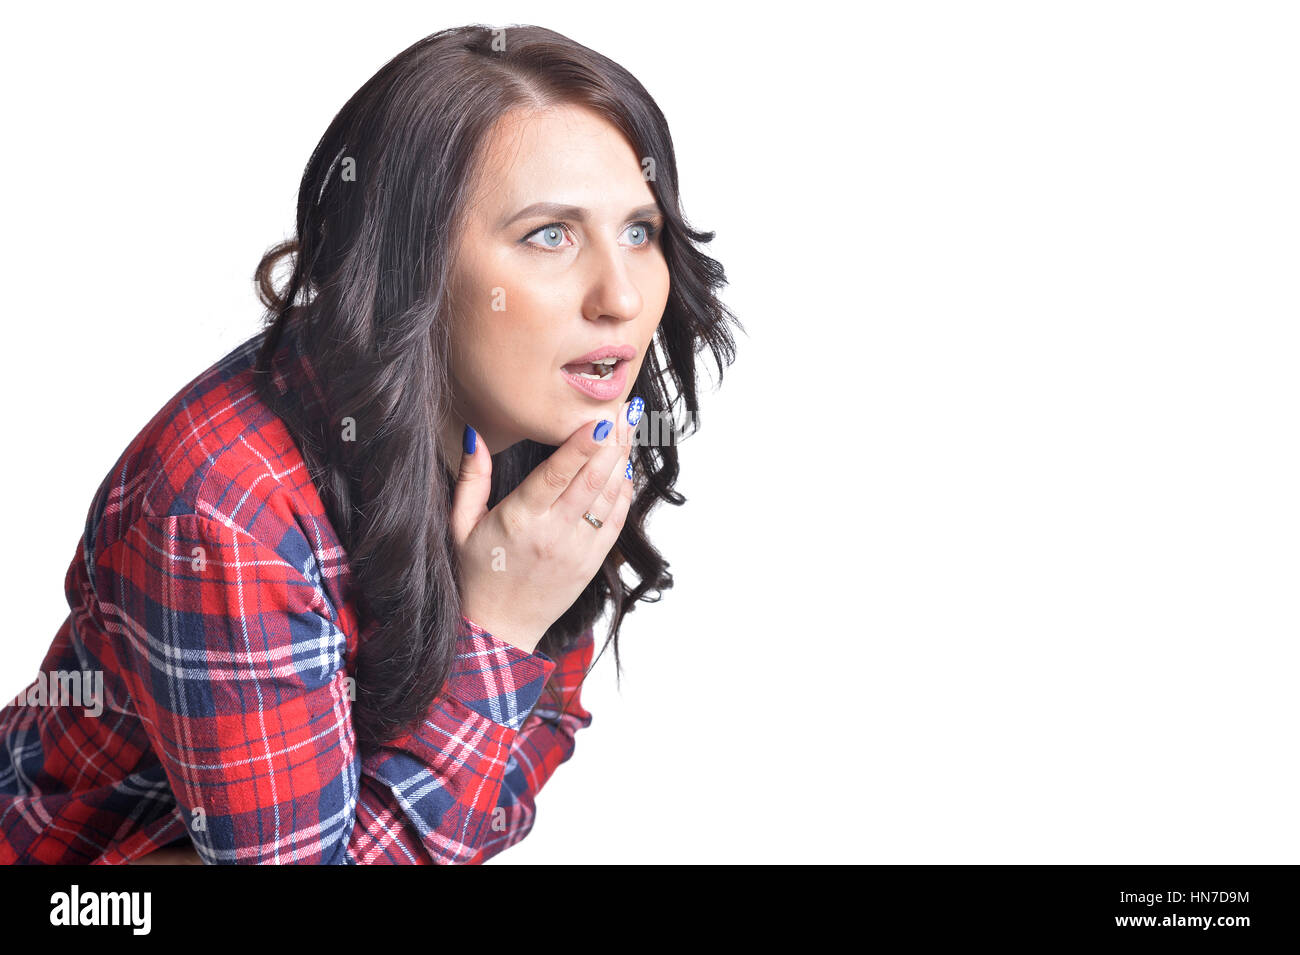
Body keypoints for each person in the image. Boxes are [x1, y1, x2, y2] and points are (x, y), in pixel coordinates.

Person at [0, 23, 739, 864]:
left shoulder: (546, 410)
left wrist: (489, 676)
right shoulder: (226, 513)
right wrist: (495, 629)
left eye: (639, 231)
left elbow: (522, 755)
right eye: (550, 235)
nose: (622, 295)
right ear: (412, 264)